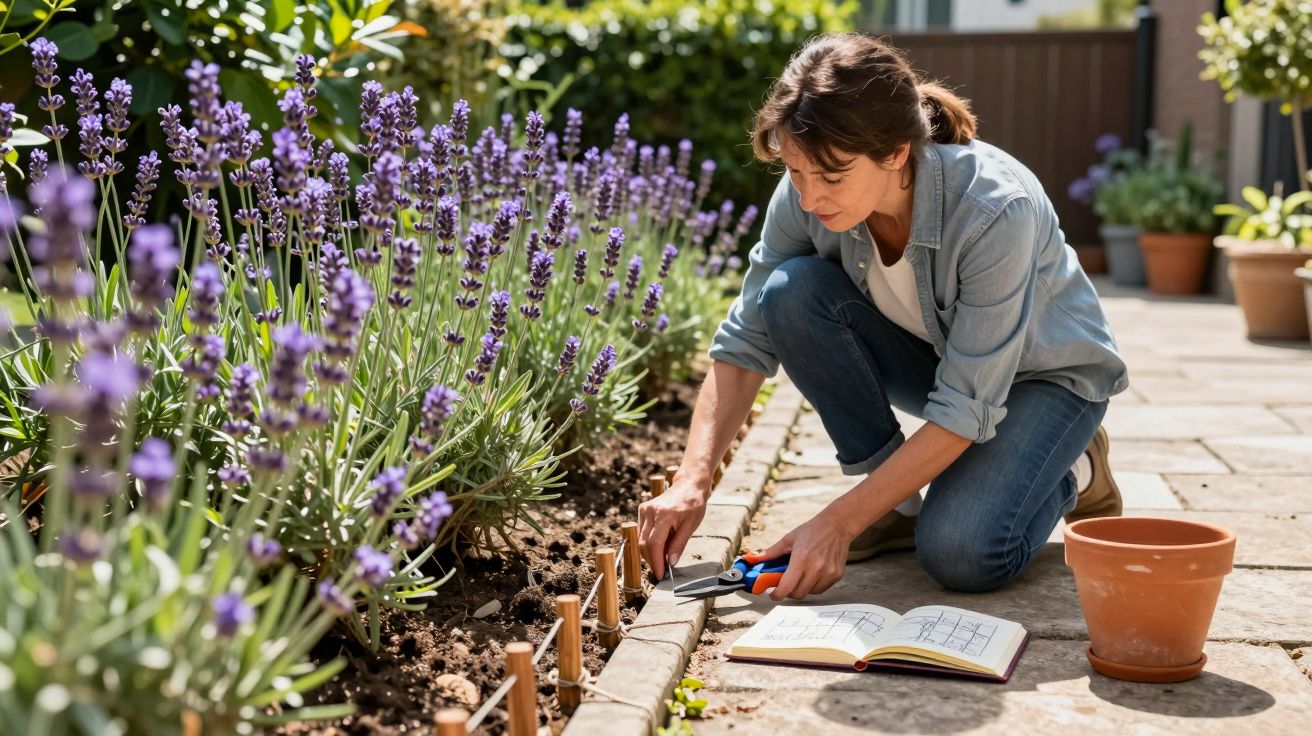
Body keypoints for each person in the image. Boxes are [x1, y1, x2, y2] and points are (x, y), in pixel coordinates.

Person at [637, 32, 1129, 602]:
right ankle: (893, 506)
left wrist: (837, 523)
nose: (809, 198)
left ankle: (1074, 468)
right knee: (789, 294)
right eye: (795, 172)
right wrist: (693, 482)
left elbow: (966, 405)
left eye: (832, 176)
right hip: (945, 365)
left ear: (896, 153)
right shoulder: (810, 191)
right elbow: (745, 341)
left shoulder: (996, 209)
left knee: (962, 554)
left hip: (1047, 381)